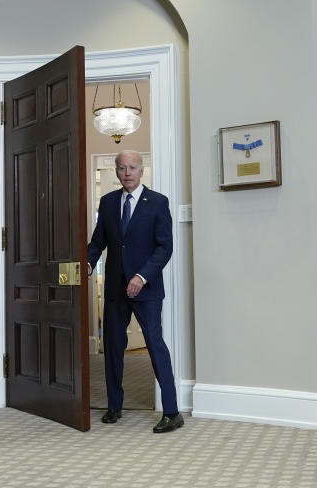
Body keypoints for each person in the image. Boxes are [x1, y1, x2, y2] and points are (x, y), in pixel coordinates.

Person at [87, 150, 182, 433]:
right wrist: (88, 263)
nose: (127, 173)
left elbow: (165, 247)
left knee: (155, 346)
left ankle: (172, 412)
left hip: (147, 289)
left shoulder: (157, 202)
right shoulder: (107, 202)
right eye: (121, 168)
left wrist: (142, 276)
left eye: (132, 167)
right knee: (114, 348)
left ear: (142, 171)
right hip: (115, 287)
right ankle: (114, 406)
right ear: (116, 172)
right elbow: (98, 241)